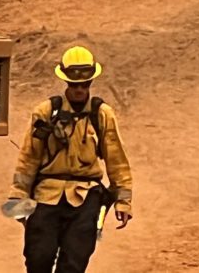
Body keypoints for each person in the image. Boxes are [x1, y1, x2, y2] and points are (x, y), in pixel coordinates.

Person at [8, 46, 133, 273]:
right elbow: (28, 158)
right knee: (38, 258)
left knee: (74, 263)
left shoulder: (102, 114)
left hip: (86, 197)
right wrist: (18, 197)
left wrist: (123, 201)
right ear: (66, 82)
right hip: (47, 195)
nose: (79, 89)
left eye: (84, 84)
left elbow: (117, 160)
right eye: (74, 85)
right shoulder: (46, 112)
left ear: (91, 82)